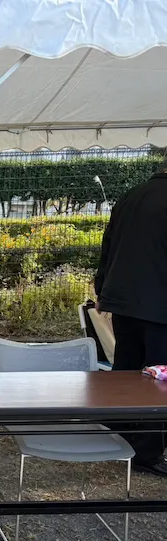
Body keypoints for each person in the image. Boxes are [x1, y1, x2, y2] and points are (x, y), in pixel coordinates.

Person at [95, 155, 167, 475]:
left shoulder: (131, 195)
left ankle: (116, 436)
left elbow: (108, 246)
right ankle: (147, 453)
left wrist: (103, 289)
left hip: (124, 301)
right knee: (159, 381)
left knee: (125, 370)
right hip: (161, 306)